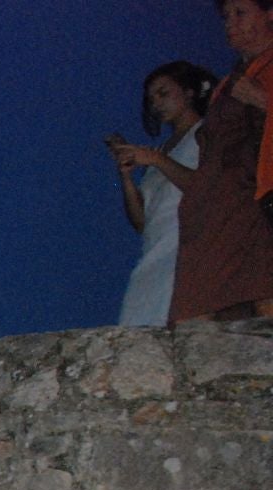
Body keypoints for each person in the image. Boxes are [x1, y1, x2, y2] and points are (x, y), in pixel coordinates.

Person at [121, 1, 273, 323]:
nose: (230, 23)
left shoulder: (207, 122)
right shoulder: (227, 90)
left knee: (257, 295)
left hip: (250, 204)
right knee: (198, 314)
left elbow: (207, 175)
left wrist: (263, 101)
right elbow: (144, 221)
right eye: (225, 16)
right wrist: (128, 175)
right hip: (199, 227)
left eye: (240, 13)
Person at [114, 63, 212, 326]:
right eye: (152, 99)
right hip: (154, 251)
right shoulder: (162, 151)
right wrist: (126, 177)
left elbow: (206, 189)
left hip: (188, 248)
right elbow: (142, 222)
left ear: (189, 92)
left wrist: (156, 160)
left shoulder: (206, 134)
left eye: (163, 93)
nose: (157, 104)